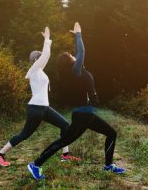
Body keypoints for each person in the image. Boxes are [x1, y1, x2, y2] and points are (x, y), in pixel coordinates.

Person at [28, 22, 125, 179]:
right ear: (70, 61)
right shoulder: (75, 71)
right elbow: (82, 51)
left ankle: (108, 166)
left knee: (111, 134)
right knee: (63, 141)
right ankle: (36, 164)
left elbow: (80, 56)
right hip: (82, 116)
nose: (74, 55)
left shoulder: (75, 72)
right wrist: (78, 34)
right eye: (72, 56)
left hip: (86, 115)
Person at [0, 27, 79, 167]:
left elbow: (46, 56)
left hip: (44, 107)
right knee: (24, 135)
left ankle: (65, 155)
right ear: (36, 59)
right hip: (36, 108)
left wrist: (48, 42)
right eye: (40, 57)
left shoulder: (40, 71)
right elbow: (45, 56)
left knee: (64, 125)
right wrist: (46, 40)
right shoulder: (33, 70)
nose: (42, 59)